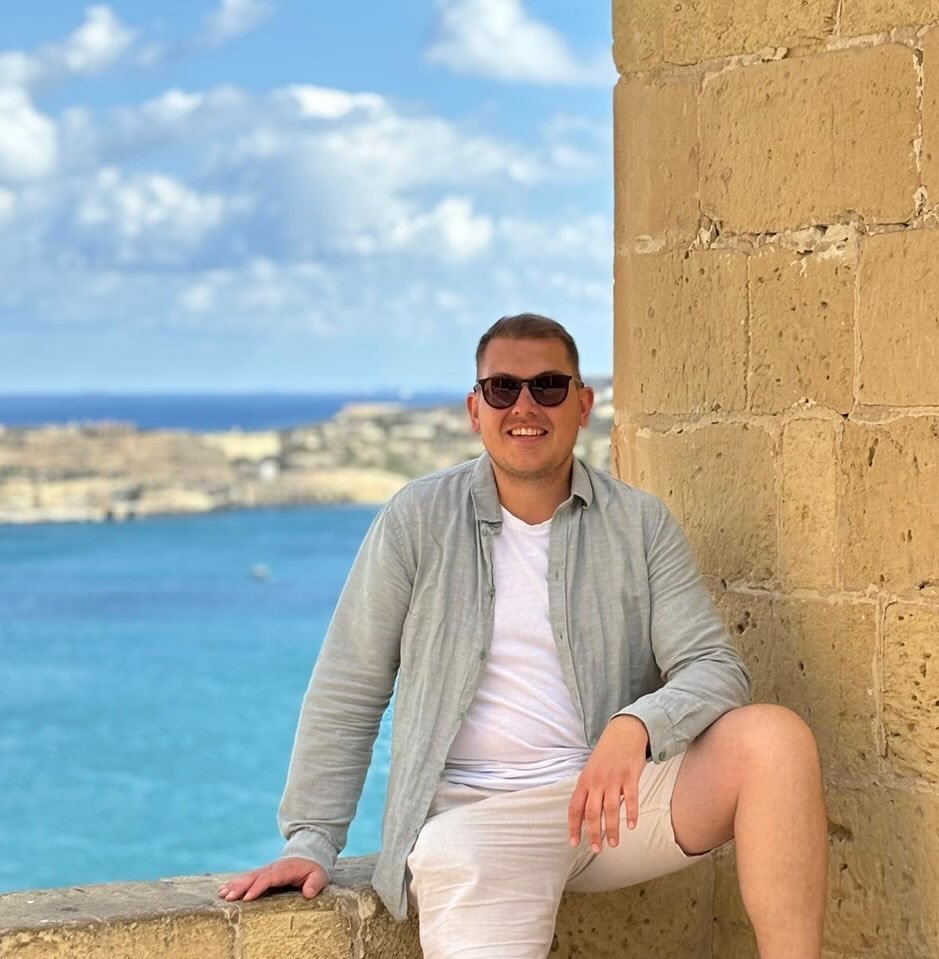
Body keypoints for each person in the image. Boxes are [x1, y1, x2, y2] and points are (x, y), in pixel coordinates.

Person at [219, 314, 827, 958]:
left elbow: (714, 666)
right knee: (463, 858)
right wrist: (311, 840)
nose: (525, 406)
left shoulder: (640, 524)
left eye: (549, 386)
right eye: (503, 388)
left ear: (583, 405)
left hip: (611, 805)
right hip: (475, 825)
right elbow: (350, 687)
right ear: (475, 409)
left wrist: (636, 727)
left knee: (774, 740)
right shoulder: (416, 520)